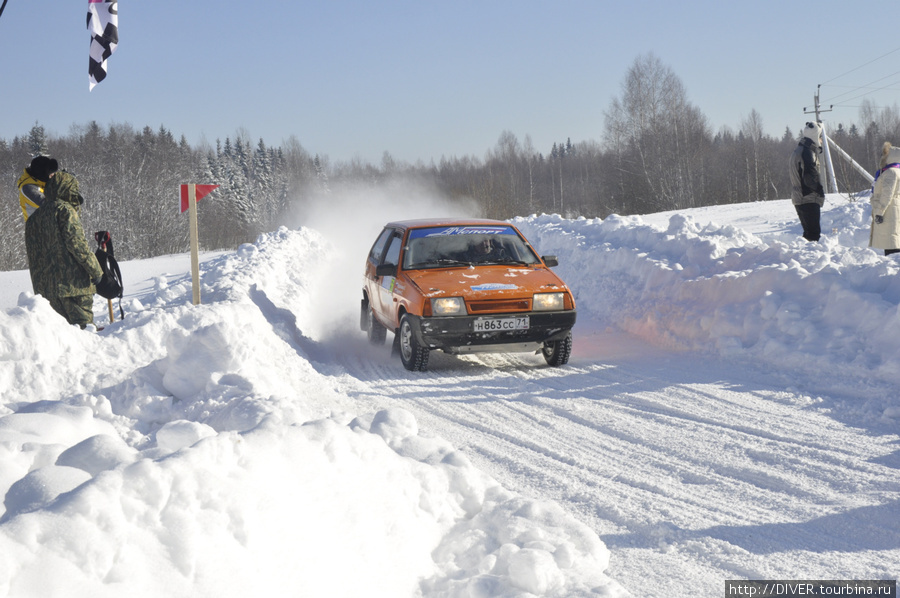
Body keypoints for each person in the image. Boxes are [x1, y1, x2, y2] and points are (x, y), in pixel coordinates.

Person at [24, 169, 104, 328]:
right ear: (67, 189)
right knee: (84, 332)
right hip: (74, 287)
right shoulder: (65, 210)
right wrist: (96, 271)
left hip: (46, 293)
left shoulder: (33, 219)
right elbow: (77, 245)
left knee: (60, 338)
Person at [789, 121, 826, 242]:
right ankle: (811, 259)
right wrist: (819, 191)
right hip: (808, 197)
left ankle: (806, 257)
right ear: (815, 136)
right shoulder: (807, 152)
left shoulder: (801, 149)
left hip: (800, 197)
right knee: (813, 235)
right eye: (820, 137)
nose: (821, 140)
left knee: (809, 234)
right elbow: (810, 176)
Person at [869, 141, 900, 256]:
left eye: (884, 155)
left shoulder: (890, 173)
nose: (882, 157)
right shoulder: (897, 171)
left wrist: (879, 212)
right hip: (894, 210)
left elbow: (887, 194)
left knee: (891, 245)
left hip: (889, 212)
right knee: (894, 241)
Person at [16, 155, 59, 221]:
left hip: (49, 227)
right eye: (50, 175)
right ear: (42, 175)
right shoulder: (28, 188)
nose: (52, 177)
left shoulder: (41, 183)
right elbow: (48, 204)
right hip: (37, 229)